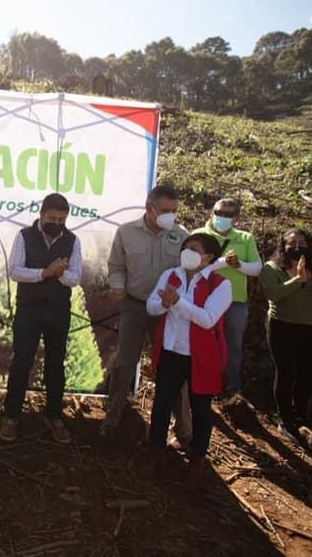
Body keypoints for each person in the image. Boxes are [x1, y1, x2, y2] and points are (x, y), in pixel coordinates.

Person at [104, 184, 192, 444]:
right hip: (134, 306)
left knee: (173, 369)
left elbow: (189, 274)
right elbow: (116, 266)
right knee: (124, 365)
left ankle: (184, 430)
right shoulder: (126, 232)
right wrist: (117, 286)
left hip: (168, 313)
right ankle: (112, 421)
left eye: (174, 211)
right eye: (166, 210)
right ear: (149, 209)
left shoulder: (181, 235)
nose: (171, 216)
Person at [146, 233, 231, 481]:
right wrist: (165, 303)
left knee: (201, 409)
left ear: (208, 257)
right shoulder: (171, 275)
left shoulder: (220, 284)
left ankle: (198, 460)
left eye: (194, 249)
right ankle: (156, 453)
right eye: (185, 248)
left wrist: (177, 302)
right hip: (171, 351)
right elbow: (151, 306)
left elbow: (208, 319)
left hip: (201, 356)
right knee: (161, 404)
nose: (187, 252)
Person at [0, 192, 82, 444]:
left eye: (61, 219)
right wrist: (46, 272)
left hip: (58, 310)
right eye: (52, 217)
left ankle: (54, 415)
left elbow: (75, 277)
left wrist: (58, 274)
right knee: (22, 361)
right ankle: (12, 415)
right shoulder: (24, 236)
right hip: (29, 309)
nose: (56, 223)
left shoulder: (73, 240)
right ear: (41, 214)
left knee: (56, 364)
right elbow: (14, 270)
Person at [259, 228, 312, 441]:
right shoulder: (272, 268)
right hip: (283, 327)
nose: (296, 246)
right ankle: (285, 419)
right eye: (291, 242)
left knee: (308, 373)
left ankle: (302, 416)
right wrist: (297, 280)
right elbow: (273, 294)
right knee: (286, 373)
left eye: (302, 242)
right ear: (283, 247)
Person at [191, 198, 261, 400]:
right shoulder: (198, 236)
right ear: (211, 212)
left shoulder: (245, 238)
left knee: (233, 345)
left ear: (236, 219)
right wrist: (222, 263)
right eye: (219, 212)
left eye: (228, 215)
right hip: (202, 299)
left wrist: (238, 265)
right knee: (202, 343)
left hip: (235, 301)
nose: (222, 217)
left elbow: (257, 269)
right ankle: (201, 384)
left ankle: (231, 388)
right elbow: (192, 265)